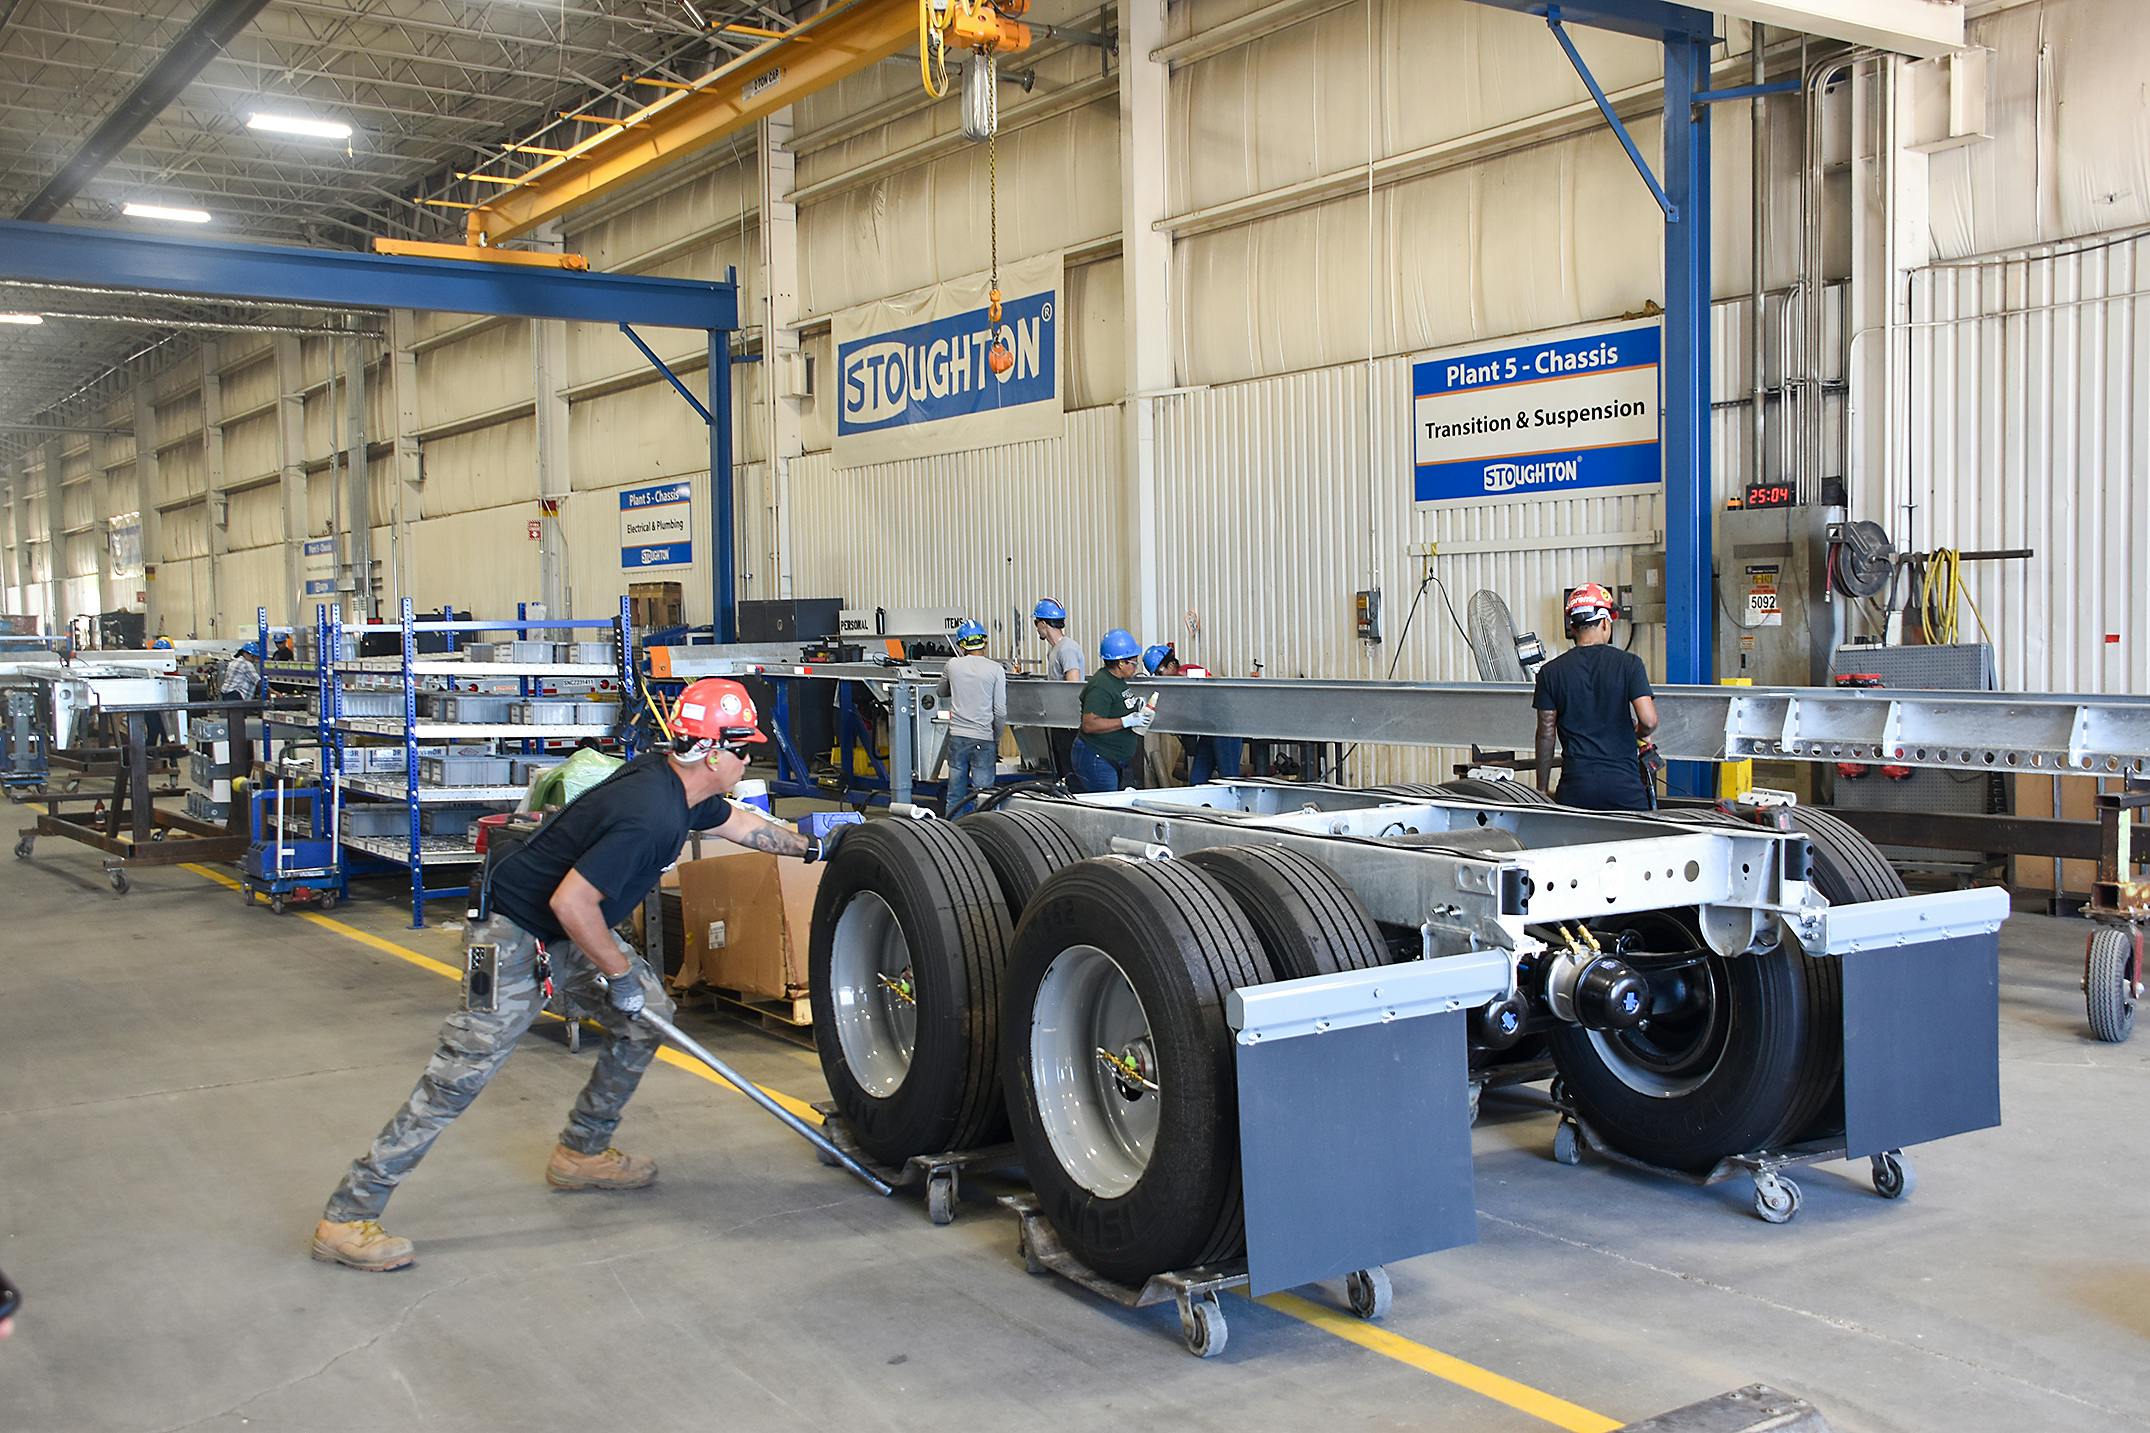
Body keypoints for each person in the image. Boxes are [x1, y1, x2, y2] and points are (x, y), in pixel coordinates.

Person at [311, 677, 847, 1273]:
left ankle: (581, 1152)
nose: (750, 761)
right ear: (713, 752)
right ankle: (347, 1214)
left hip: (566, 932)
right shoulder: (648, 813)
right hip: (514, 934)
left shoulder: (678, 783)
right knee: (460, 1075)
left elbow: (740, 826)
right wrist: (618, 973)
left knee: (648, 1020)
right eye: (745, 749)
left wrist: (814, 848)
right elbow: (573, 903)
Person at [1533, 583, 1659, 811]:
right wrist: (1638, 734)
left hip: (1576, 789)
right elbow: (1649, 721)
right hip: (1624, 789)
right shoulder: (1629, 664)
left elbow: (1546, 733)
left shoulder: (1550, 672)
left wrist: (1541, 790)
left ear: (1572, 626)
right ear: (1604, 622)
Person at [1142, 643, 1242, 785]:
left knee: (1229, 779)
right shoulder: (1175, 684)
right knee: (1197, 780)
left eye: (1159, 673)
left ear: (1171, 666)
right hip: (1208, 731)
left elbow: (1202, 706)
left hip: (1225, 731)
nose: (1159, 678)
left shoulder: (1188, 675)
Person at [1071, 628, 1154, 792]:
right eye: (1133, 662)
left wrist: (1135, 706)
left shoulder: (1117, 680)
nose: (1136, 666)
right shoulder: (1101, 686)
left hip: (1110, 759)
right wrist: (1126, 721)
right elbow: (1089, 724)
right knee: (1105, 809)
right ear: (1120, 663)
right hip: (1097, 758)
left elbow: (1116, 705)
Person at [939, 619, 1006, 818]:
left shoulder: (952, 665)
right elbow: (1000, 711)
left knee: (955, 795)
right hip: (984, 737)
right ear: (984, 642)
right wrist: (996, 738)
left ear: (961, 645)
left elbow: (941, 691)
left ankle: (953, 836)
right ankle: (984, 836)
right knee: (985, 796)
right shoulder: (996, 670)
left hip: (958, 737)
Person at [1032, 598, 1083, 781]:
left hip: (1068, 723)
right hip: (1059, 721)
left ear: (1044, 623)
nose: (1036, 628)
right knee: (1061, 768)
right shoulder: (1054, 650)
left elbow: (1073, 685)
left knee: (1069, 770)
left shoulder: (1067, 649)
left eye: (1036, 623)